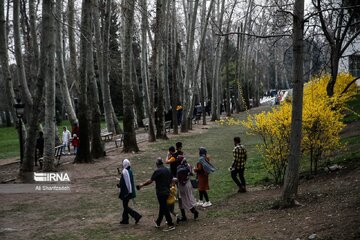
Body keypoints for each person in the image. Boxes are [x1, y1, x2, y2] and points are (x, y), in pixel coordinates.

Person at [137, 158, 175, 231]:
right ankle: (158, 222)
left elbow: (150, 181)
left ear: (157, 164)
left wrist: (142, 185)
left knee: (165, 208)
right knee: (162, 207)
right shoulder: (168, 170)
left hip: (161, 192)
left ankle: (170, 224)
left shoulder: (157, 171)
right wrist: (171, 187)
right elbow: (172, 180)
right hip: (167, 191)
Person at [117, 159, 142, 224]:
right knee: (125, 205)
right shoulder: (129, 171)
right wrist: (120, 184)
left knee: (125, 206)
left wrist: (128, 192)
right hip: (128, 191)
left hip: (126, 192)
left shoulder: (125, 171)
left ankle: (136, 216)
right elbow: (126, 181)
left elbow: (127, 183)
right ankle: (125, 219)